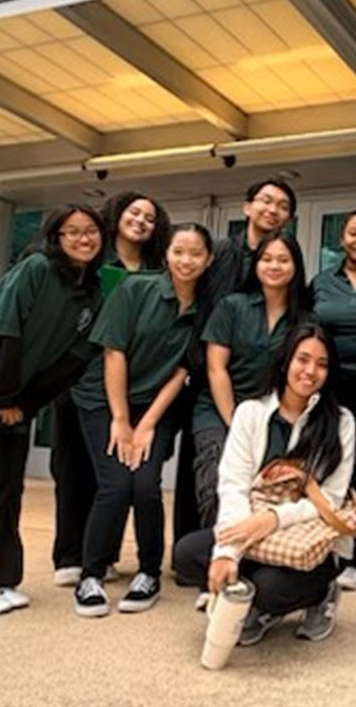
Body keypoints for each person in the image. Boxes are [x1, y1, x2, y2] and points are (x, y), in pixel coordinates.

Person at [0, 204, 106, 615]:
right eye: (72, 231)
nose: (83, 238)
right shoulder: (36, 269)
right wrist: (4, 399)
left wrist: (25, 403)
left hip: (16, 398)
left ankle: (0, 577)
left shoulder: (92, 290)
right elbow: (1, 330)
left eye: (91, 231)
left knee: (9, 487)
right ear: (55, 237)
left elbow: (72, 360)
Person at [173, 323, 356, 647]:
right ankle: (255, 598)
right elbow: (233, 486)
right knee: (187, 555)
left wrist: (272, 519)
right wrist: (227, 554)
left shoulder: (341, 422)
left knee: (270, 589)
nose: (310, 371)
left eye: (322, 364)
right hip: (255, 531)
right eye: (302, 359)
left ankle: (319, 592)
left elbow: (330, 499)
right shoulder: (251, 413)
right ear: (285, 361)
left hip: (306, 537)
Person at [71, 224, 213, 617]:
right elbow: (113, 352)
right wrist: (121, 419)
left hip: (155, 404)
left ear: (209, 260)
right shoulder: (136, 289)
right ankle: (91, 575)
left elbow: (182, 371)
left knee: (146, 485)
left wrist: (147, 423)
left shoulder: (206, 308)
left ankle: (149, 572)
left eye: (196, 253)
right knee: (116, 485)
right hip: (104, 399)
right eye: (179, 251)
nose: (186, 261)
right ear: (166, 254)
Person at [51, 191, 170, 588]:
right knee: (73, 469)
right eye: (134, 212)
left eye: (149, 218)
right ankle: (70, 555)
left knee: (115, 473)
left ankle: (103, 555)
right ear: (117, 215)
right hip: (80, 375)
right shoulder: (93, 261)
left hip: (130, 383)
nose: (141, 221)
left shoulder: (157, 270)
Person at [193, 231, 312, 529]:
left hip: (271, 415)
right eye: (266, 259)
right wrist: (234, 422)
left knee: (265, 488)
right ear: (256, 265)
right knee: (217, 480)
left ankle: (251, 548)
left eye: (283, 260)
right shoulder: (232, 306)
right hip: (220, 409)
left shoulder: (305, 320)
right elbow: (216, 368)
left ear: (296, 266)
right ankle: (218, 548)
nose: (274, 266)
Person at [310, 209, 356, 591]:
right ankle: (324, 549)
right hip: (329, 389)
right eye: (354, 233)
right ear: (342, 238)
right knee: (330, 466)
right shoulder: (322, 282)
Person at [206, 178, 297, 305]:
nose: (273, 210)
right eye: (266, 201)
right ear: (247, 208)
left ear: (289, 220)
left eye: (283, 207)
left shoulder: (289, 261)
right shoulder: (218, 251)